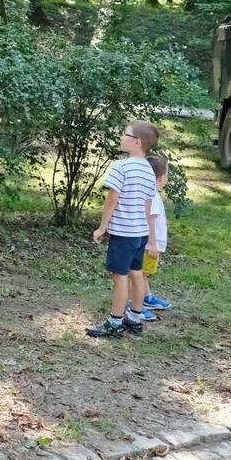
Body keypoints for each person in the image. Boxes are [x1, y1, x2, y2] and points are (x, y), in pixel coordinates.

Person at [87, 120, 159, 338]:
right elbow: (148, 204)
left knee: (119, 276)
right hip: (140, 233)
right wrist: (149, 235)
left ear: (136, 142)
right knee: (136, 273)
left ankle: (115, 323)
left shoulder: (122, 166)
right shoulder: (148, 169)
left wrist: (102, 227)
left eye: (125, 134)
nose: (121, 137)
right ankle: (135, 319)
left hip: (124, 233)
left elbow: (112, 200)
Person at [127, 154, 171, 322]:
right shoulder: (151, 195)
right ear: (161, 177)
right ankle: (133, 302)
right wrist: (152, 243)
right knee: (137, 274)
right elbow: (150, 219)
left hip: (151, 244)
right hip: (148, 245)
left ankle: (146, 297)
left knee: (142, 273)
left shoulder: (153, 194)